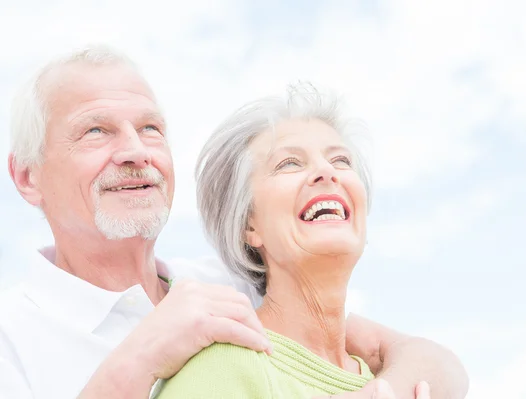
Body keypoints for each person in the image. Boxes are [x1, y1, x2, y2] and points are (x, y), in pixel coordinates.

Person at [0, 45, 468, 399]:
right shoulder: (12, 335)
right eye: (95, 130)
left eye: (150, 129)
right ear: (27, 176)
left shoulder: (235, 284)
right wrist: (138, 360)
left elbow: (419, 355)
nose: (135, 152)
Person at [152, 83, 435, 398]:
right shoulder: (222, 368)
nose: (326, 172)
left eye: (341, 160)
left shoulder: (390, 381)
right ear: (248, 223)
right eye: (289, 163)